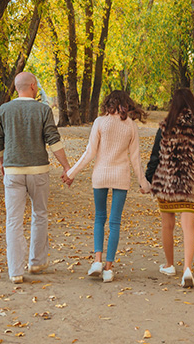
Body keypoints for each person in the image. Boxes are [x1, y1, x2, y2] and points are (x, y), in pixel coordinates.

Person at [0, 72, 71, 284]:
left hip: (13, 172)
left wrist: (2, 162)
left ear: (17, 88)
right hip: (38, 172)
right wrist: (66, 167)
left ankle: (15, 271)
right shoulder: (43, 110)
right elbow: (53, 141)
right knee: (40, 214)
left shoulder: (3, 110)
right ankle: (36, 262)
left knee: (14, 221)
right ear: (33, 86)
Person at [66, 90, 150, 283]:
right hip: (121, 176)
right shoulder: (130, 126)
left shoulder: (99, 122)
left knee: (99, 218)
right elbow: (135, 158)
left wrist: (71, 174)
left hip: (100, 175)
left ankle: (97, 261)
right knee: (115, 222)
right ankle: (109, 268)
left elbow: (90, 152)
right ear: (126, 104)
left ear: (107, 103)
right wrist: (143, 183)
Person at [145, 88, 194, 288]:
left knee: (168, 225)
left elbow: (155, 155)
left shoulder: (165, 127)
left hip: (167, 183)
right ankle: (188, 269)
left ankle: (170, 264)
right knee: (188, 226)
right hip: (192, 184)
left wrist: (149, 178)